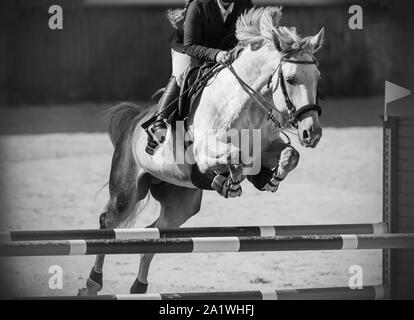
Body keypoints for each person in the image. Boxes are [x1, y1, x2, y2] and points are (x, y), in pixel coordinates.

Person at [145, 0, 253, 155]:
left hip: (226, 51)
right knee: (183, 73)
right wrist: (216, 54)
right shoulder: (199, 5)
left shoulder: (245, 4)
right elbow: (190, 46)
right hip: (190, 48)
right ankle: (159, 123)